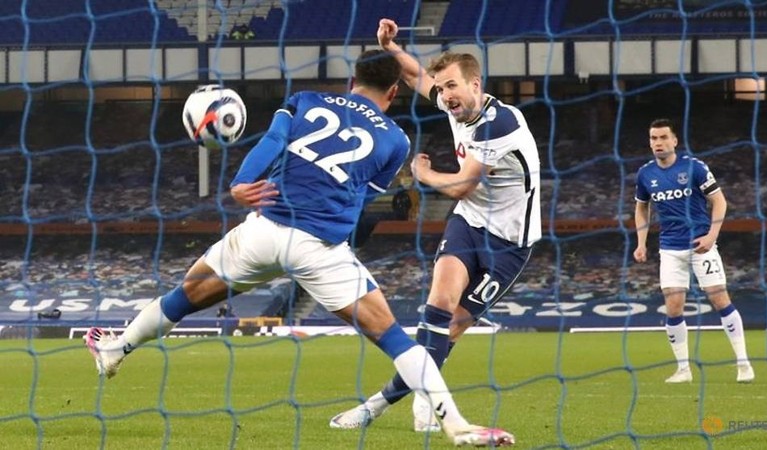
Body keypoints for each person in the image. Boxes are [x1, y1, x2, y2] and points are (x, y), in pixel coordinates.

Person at [84, 49, 514, 447]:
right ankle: (455, 425)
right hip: (321, 251)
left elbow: (271, 143)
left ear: (351, 80)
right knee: (397, 340)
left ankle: (115, 349)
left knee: (183, 296)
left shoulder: (304, 99)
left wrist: (239, 185)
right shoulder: (397, 140)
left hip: (264, 231)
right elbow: (364, 199)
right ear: (394, 92)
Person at [330, 19, 541, 433]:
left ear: (475, 84)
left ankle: (378, 404)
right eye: (441, 89)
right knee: (438, 305)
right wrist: (390, 46)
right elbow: (413, 74)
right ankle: (410, 406)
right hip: (469, 223)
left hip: (510, 243)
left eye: (452, 87)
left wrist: (424, 175)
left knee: (454, 326)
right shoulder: (452, 104)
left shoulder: (501, 123)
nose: (445, 96)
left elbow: (463, 185)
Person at [633, 118, 754, 384]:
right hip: (669, 249)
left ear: (674, 141)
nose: (658, 143)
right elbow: (642, 207)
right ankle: (683, 370)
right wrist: (641, 242)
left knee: (719, 300)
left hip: (701, 246)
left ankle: (744, 364)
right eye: (654, 138)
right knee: (673, 308)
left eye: (663, 137)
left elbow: (720, 201)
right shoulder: (645, 174)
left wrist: (712, 236)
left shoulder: (695, 167)